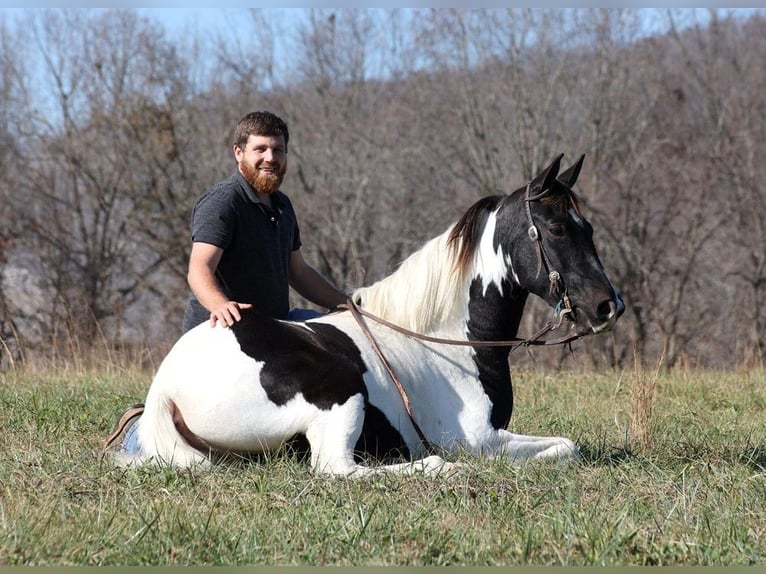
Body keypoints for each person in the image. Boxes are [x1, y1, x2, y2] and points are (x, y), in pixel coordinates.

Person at [103, 111, 348, 456]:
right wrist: (220, 305)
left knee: (334, 338)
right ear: (238, 152)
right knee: (169, 441)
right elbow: (199, 268)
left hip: (276, 327)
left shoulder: (283, 206)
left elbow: (300, 272)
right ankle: (137, 429)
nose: (270, 158)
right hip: (226, 328)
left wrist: (344, 303)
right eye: (259, 149)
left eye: (278, 150)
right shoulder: (224, 201)